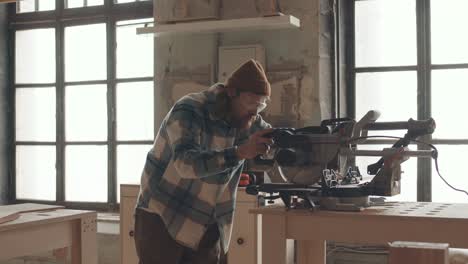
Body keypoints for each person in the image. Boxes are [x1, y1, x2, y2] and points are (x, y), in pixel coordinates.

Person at [134, 59, 274, 264]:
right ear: (232, 93)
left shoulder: (247, 117)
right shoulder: (189, 109)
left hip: (206, 218)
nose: (255, 112)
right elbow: (185, 163)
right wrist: (240, 152)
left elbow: (275, 137)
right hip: (163, 213)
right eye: (251, 103)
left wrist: (307, 142)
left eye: (260, 106)